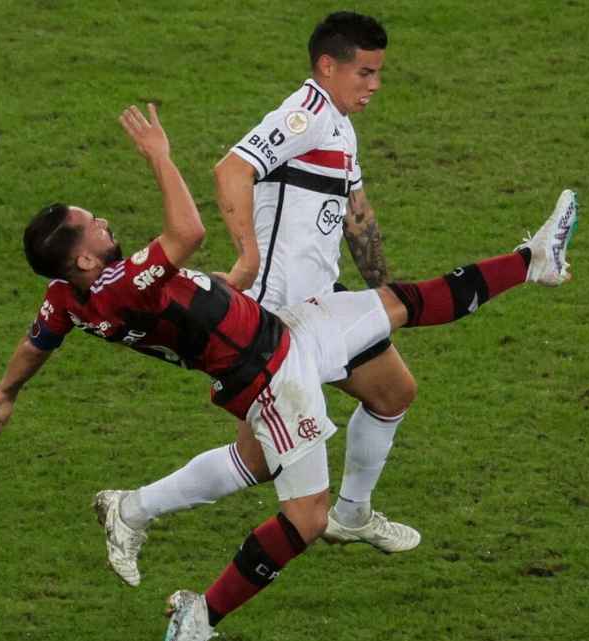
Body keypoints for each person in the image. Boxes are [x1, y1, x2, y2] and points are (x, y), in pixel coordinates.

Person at [0, 103, 577, 641]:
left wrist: (7, 390)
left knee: (401, 305)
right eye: (91, 225)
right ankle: (200, 613)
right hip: (270, 375)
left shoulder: (68, 297)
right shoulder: (120, 286)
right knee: (306, 518)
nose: (103, 222)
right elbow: (188, 231)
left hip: (281, 331)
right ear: (86, 259)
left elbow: (38, 341)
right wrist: (158, 155)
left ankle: (533, 262)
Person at [90, 11, 416, 589]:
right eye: (365, 73)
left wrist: (380, 295)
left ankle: (351, 513)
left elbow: (357, 215)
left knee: (393, 392)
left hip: (322, 308)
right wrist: (246, 258)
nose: (375, 85)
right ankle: (133, 510)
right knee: (260, 462)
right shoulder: (304, 115)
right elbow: (232, 169)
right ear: (328, 66)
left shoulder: (340, 126)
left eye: (378, 73)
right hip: (275, 322)